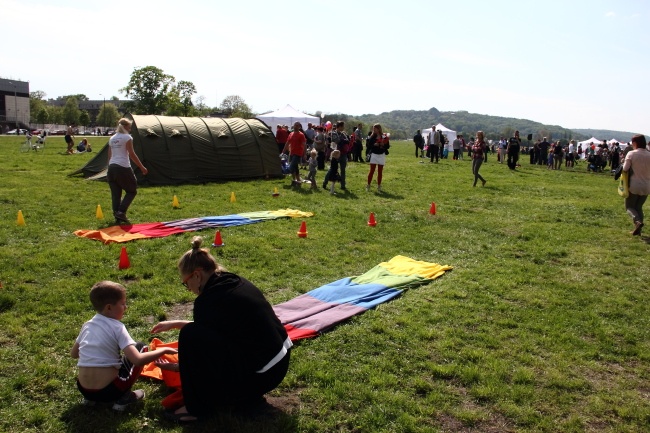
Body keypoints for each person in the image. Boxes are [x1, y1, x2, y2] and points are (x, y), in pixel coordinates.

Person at [151, 237, 292, 422]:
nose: (188, 288)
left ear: (197, 275)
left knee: (189, 337)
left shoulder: (207, 301)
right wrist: (177, 323)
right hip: (279, 362)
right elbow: (219, 329)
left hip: (262, 375)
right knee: (195, 333)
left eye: (186, 283)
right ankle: (244, 396)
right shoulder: (234, 281)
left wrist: (182, 368)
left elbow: (203, 345)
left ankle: (196, 409)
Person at [71, 281, 177, 410]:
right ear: (109, 307)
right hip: (110, 391)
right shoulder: (117, 327)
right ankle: (124, 398)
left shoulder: (87, 325)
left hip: (84, 389)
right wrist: (164, 350)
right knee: (141, 347)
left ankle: (90, 400)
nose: (125, 307)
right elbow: (137, 360)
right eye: (122, 304)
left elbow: (74, 354)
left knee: (119, 359)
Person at [107, 118, 148, 224]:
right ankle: (121, 212)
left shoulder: (112, 138)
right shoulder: (127, 137)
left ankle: (117, 216)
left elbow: (109, 155)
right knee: (132, 190)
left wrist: (109, 167)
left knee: (116, 194)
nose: (130, 129)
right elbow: (132, 153)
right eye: (129, 127)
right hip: (123, 167)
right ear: (125, 127)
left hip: (111, 168)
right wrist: (142, 167)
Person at [622, 134, 650, 236]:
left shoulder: (631, 154)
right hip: (647, 186)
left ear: (634, 143)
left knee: (629, 207)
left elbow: (625, 169)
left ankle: (637, 221)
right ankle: (638, 230)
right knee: (639, 207)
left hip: (634, 184)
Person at [324, 121, 349, 191]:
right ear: (340, 126)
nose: (343, 128)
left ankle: (343, 185)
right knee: (332, 169)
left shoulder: (343, 134)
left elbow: (347, 140)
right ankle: (325, 182)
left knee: (343, 170)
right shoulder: (333, 133)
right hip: (335, 154)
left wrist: (342, 141)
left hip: (343, 153)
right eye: (343, 126)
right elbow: (337, 141)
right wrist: (343, 141)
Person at [365, 123, 390, 192]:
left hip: (381, 155)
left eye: (375, 129)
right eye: (373, 129)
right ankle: (368, 185)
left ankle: (379, 186)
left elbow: (387, 146)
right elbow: (369, 145)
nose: (374, 130)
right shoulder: (372, 136)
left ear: (379, 129)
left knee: (380, 172)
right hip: (374, 155)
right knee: (371, 171)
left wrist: (383, 144)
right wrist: (374, 144)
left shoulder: (384, 136)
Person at [282, 121, 306, 186]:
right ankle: (296, 181)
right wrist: (283, 152)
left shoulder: (301, 135)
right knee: (295, 167)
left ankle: (296, 180)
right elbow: (287, 143)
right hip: (291, 152)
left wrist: (305, 154)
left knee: (291, 167)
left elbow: (304, 145)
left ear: (299, 127)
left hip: (298, 153)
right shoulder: (291, 134)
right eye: (295, 125)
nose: (295, 126)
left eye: (297, 125)